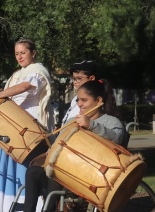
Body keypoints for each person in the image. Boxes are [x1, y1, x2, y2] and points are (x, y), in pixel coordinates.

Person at [24, 79, 127, 212]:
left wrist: (91, 124)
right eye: (78, 100)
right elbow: (57, 146)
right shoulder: (72, 121)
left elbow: (117, 139)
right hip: (64, 171)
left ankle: (49, 209)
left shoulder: (111, 122)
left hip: (89, 176)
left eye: (84, 100)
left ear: (99, 100)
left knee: (60, 170)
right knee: (33, 172)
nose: (79, 104)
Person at [0, 38, 55, 212]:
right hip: (14, 128)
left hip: (32, 129)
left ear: (33, 53)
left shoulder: (38, 70)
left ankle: (37, 207)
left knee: (31, 170)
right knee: (13, 169)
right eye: (16, 54)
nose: (19, 57)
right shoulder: (16, 74)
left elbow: (25, 86)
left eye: (23, 53)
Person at [61, 60, 96, 126]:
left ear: (91, 78)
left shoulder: (95, 100)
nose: (75, 82)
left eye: (79, 78)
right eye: (74, 79)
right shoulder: (75, 99)